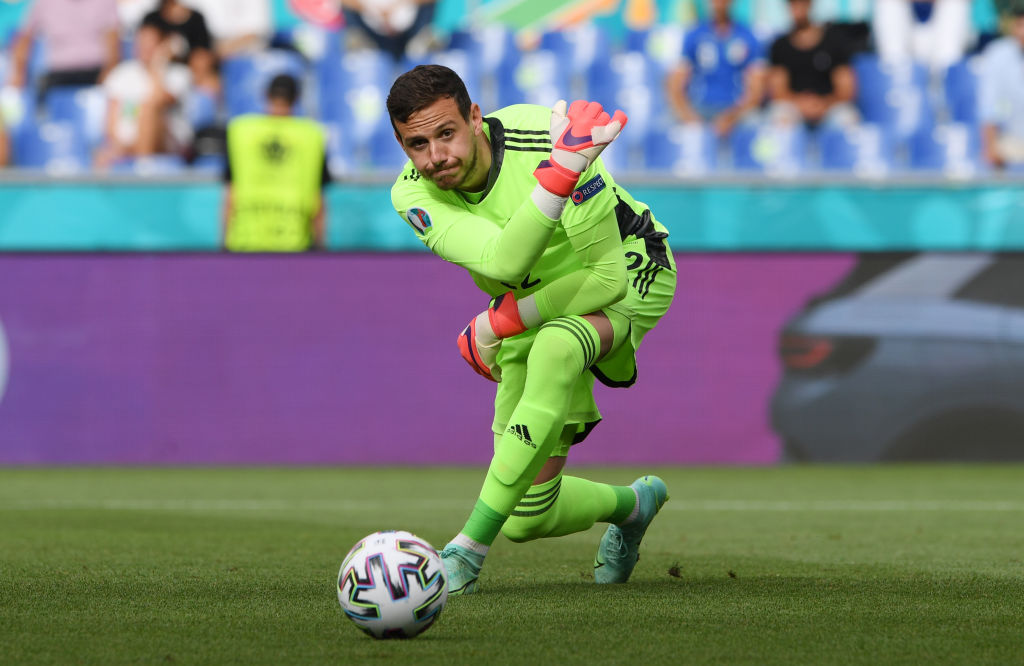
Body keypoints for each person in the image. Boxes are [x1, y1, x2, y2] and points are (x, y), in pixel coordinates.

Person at [388, 65, 677, 594]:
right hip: (534, 298)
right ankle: (634, 505)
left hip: (631, 265)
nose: (436, 157)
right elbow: (501, 263)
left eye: (446, 133)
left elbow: (607, 277)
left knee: (556, 347)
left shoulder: (547, 134)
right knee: (526, 516)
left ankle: (466, 551)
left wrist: (501, 320)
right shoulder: (412, 195)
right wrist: (560, 175)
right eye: (417, 144)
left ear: (475, 117)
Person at [222, 74, 329, 252]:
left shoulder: (241, 132)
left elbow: (230, 195)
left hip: (246, 242)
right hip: (294, 243)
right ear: (296, 99)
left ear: (266, 95)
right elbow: (318, 200)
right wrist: (320, 248)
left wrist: (224, 245)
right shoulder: (310, 135)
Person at [94, 22, 193, 169]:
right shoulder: (122, 73)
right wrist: (119, 145)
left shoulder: (179, 74)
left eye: (150, 42)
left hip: (168, 141)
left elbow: (160, 100)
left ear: (161, 45)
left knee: (148, 109)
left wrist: (158, 64)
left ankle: (143, 169)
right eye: (141, 42)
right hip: (127, 143)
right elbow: (111, 118)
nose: (145, 47)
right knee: (100, 156)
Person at [665, 0, 766, 138]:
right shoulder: (694, 35)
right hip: (699, 108)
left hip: (735, 110)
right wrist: (689, 117)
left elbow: (757, 89)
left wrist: (732, 117)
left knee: (755, 124)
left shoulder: (748, 37)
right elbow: (675, 85)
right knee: (668, 126)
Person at [767, 0, 858, 128]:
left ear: (810, 4)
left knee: (846, 119)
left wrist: (824, 104)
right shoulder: (780, 46)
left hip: (829, 107)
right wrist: (801, 104)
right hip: (794, 108)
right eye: (792, 3)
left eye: (801, 3)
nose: (797, 8)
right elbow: (778, 91)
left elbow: (846, 89)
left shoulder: (834, 41)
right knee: (779, 118)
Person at [8, 0, 120, 103]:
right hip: (59, 73)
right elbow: (24, 39)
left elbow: (113, 43)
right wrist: (17, 74)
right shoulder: (43, 2)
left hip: (96, 72)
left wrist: (107, 76)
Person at [978, 5, 1024, 169]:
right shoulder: (998, 54)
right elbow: (991, 108)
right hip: (1011, 141)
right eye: (1020, 25)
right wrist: (990, 148)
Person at [141, 0, 219, 93]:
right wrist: (162, 55)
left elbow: (203, 55)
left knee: (210, 84)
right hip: (157, 72)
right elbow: (145, 51)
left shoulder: (196, 19)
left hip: (190, 75)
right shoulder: (151, 19)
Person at [872, 0, 972, 73]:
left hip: (942, 41)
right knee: (888, 4)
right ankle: (896, 81)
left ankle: (947, 82)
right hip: (906, 37)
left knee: (955, 4)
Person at [339, 0, 437, 61]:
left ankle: (422, 43)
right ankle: (360, 47)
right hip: (370, 31)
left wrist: (399, 6)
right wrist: (374, 11)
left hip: (410, 31)